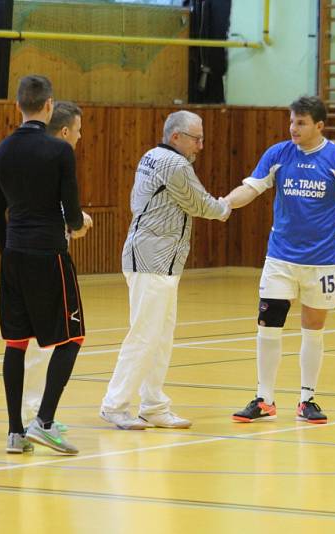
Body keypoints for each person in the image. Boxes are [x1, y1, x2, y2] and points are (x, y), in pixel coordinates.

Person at [224, 95, 335, 425]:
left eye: (301, 122)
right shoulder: (278, 154)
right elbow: (252, 187)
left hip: (323, 260)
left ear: (319, 126)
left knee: (313, 329)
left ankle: (307, 399)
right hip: (281, 257)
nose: (294, 128)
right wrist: (225, 205)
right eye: (292, 121)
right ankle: (265, 399)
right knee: (268, 326)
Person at [99, 110, 231, 430]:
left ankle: (154, 404)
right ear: (176, 137)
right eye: (195, 139)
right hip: (152, 260)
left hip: (159, 259)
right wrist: (226, 206)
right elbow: (199, 204)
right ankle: (114, 404)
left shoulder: (151, 156)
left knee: (160, 336)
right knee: (145, 334)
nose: (200, 145)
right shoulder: (175, 164)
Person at [0, 76, 91, 454]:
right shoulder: (59, 151)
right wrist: (80, 225)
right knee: (73, 336)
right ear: (49, 106)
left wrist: (9, 249)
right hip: (49, 254)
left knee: (15, 343)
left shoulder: (2, 150)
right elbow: (71, 210)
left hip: (14, 255)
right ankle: (44, 422)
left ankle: (15, 432)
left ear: (20, 105)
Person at [20, 101, 92, 430]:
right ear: (64, 131)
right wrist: (76, 222)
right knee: (61, 338)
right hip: (46, 258)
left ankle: (28, 415)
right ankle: (37, 416)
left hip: (23, 254)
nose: (79, 136)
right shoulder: (57, 159)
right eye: (77, 130)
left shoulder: (26, 154)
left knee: (35, 339)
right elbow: (59, 210)